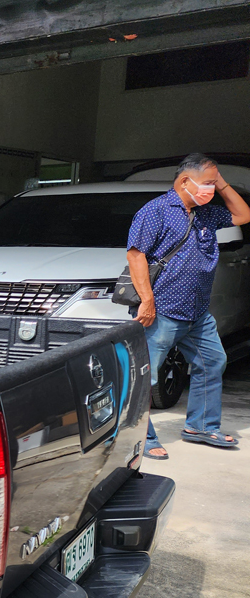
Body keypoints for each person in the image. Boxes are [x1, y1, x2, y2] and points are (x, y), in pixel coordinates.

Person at [127, 153, 250, 460]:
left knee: (212, 362)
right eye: (208, 182)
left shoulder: (208, 213)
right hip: (162, 311)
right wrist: (147, 301)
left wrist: (221, 183)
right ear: (185, 181)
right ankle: (142, 437)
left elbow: (243, 215)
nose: (212, 188)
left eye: (214, 183)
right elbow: (135, 255)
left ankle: (201, 426)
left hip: (197, 312)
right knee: (147, 376)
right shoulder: (155, 211)